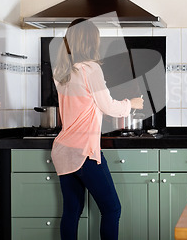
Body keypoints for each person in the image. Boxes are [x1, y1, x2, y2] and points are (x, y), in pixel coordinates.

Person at [51, 18, 143, 240]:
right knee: (112, 209)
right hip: (84, 151)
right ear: (90, 42)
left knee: (72, 211)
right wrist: (132, 103)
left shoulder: (61, 70)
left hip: (63, 149)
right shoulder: (90, 69)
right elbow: (108, 106)